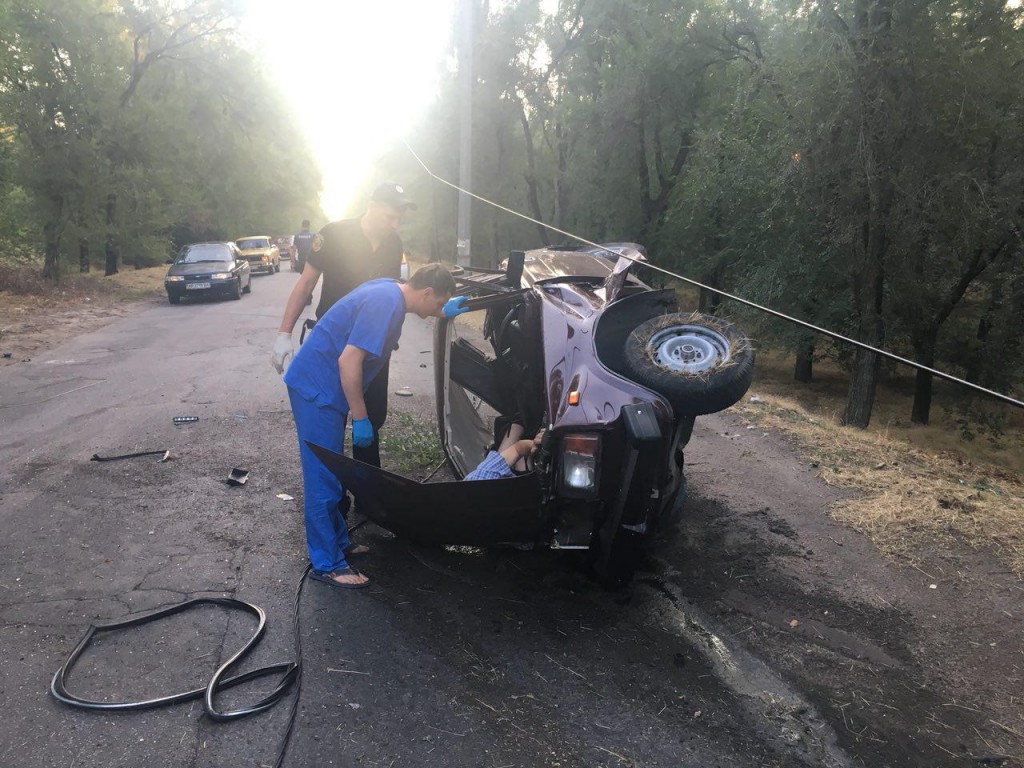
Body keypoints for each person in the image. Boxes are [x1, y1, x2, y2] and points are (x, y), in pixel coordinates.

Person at [283, 263, 469, 589]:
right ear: (426, 292)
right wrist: (360, 416)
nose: (436, 310)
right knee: (322, 476)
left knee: (333, 471)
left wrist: (443, 312)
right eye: (438, 304)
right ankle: (327, 564)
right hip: (318, 390)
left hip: (326, 388)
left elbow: (355, 351)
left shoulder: (392, 290)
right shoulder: (385, 302)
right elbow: (348, 361)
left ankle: (339, 543)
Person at [271, 183, 416, 470]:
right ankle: (334, 491)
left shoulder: (393, 243)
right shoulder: (333, 234)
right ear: (372, 205)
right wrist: (284, 333)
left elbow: (397, 291)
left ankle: (368, 492)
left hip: (372, 343)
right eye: (390, 215)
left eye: (399, 217)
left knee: (371, 417)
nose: (395, 223)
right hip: (333, 342)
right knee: (331, 414)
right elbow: (306, 283)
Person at [464, 424, 544, 480]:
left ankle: (519, 424)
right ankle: (520, 424)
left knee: (516, 429)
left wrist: (533, 445)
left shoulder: (481, 477)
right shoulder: (480, 478)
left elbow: (517, 449)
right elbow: (517, 449)